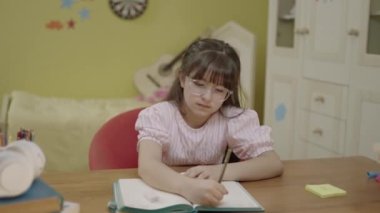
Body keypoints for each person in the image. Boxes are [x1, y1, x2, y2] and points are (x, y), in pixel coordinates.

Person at [136, 38, 283, 206]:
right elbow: (148, 165)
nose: (207, 97)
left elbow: (272, 162)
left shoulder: (233, 119)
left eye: (219, 90)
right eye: (199, 84)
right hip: (167, 199)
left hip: (210, 200)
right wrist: (187, 187)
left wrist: (218, 171)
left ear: (229, 92)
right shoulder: (158, 115)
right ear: (182, 79)